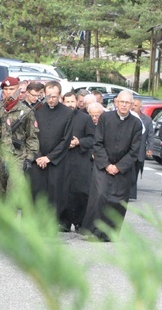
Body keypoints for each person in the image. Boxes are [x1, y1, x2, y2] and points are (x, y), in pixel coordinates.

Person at [82, 91, 142, 241]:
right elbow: (98, 143)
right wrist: (107, 164)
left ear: (131, 105)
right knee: (100, 196)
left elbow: (134, 151)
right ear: (116, 102)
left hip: (122, 168)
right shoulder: (105, 118)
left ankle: (110, 233)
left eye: (127, 103)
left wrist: (119, 167)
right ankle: (95, 231)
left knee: (117, 199)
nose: (123, 105)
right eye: (121, 102)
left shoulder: (136, 124)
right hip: (103, 165)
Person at [31, 82, 73, 232]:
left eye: (54, 97)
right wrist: (38, 156)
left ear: (60, 96)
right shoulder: (37, 110)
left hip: (56, 160)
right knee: (37, 191)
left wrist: (49, 158)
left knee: (55, 193)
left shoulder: (68, 113)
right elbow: (32, 135)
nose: (51, 100)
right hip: (38, 159)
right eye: (48, 96)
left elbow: (66, 139)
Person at [60, 92, 95, 232]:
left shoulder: (85, 118)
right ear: (63, 102)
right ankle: (64, 222)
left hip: (81, 159)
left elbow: (93, 138)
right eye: (67, 101)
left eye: (72, 101)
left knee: (81, 191)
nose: (70, 104)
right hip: (63, 159)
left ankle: (81, 222)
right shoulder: (59, 116)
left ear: (77, 102)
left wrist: (78, 142)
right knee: (63, 191)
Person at [0, 77, 39, 191]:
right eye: (5, 89)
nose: (8, 92)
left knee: (13, 192)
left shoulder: (25, 111)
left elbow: (32, 136)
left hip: (17, 156)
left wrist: (29, 158)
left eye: (11, 89)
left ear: (17, 90)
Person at [130, 98, 158, 200]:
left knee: (135, 171)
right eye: (132, 105)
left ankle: (132, 193)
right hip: (128, 150)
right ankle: (129, 194)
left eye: (136, 105)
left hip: (140, 150)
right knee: (129, 171)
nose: (133, 107)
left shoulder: (147, 119)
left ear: (141, 107)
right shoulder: (129, 117)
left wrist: (149, 148)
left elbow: (150, 135)